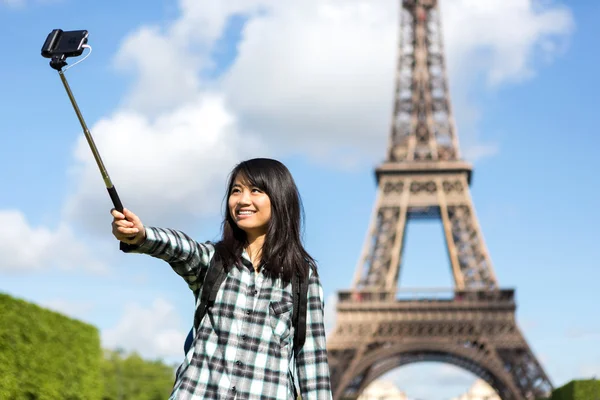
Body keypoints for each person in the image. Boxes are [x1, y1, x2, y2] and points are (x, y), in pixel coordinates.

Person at [110, 158, 333, 399]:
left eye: (255, 190)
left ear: (280, 198)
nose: (242, 200)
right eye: (236, 191)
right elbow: (181, 248)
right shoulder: (214, 261)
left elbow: (311, 363)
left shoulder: (302, 276)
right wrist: (142, 235)